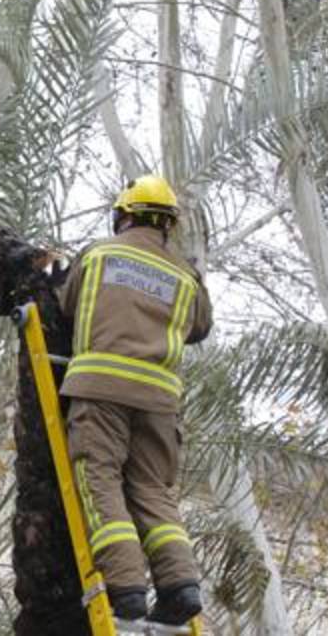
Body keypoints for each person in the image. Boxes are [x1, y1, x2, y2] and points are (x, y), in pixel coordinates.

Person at [58, 174, 213, 625]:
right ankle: (180, 585)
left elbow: (66, 303)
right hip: (160, 402)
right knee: (152, 491)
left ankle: (126, 588)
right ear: (168, 225)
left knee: (100, 478)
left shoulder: (100, 254)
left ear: (122, 215)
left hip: (100, 389)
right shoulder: (185, 277)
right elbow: (200, 327)